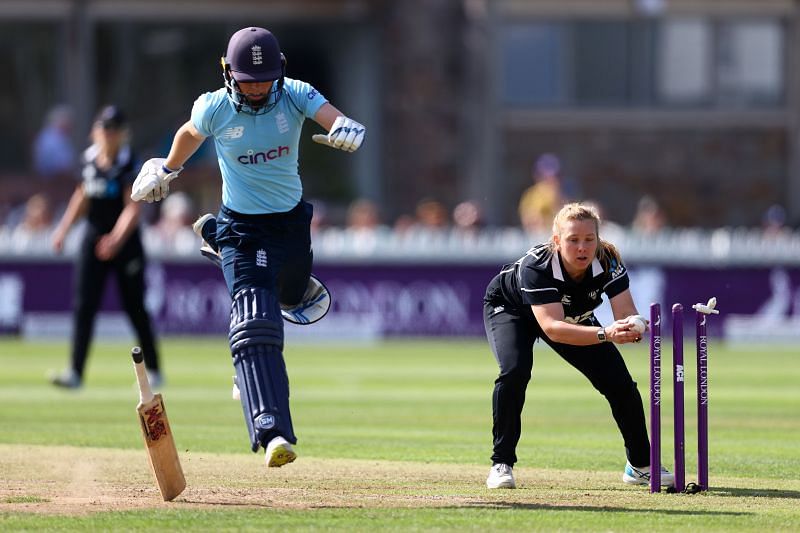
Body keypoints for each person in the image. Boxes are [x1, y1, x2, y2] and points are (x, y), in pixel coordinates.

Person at [130, 27, 365, 468]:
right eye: (247, 79)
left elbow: (332, 116)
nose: (256, 88)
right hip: (244, 225)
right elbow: (188, 133)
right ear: (228, 74)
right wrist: (167, 168)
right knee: (255, 320)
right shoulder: (215, 105)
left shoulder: (295, 94)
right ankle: (273, 432)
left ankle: (215, 241)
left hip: (290, 223)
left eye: (264, 78)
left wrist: (346, 129)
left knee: (293, 298)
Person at [482, 202, 674, 489]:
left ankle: (640, 465)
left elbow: (625, 312)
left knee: (620, 384)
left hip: (570, 316)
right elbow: (552, 328)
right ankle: (501, 463)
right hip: (512, 310)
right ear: (557, 240)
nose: (582, 248)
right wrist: (606, 333)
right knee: (515, 371)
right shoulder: (539, 266)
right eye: (573, 240)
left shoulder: (607, 259)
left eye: (589, 240)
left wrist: (633, 326)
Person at [50, 105, 162, 389]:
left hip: (125, 244)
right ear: (95, 132)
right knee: (84, 306)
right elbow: (82, 197)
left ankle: (155, 369)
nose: (108, 135)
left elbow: (133, 208)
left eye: (113, 130)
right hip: (92, 238)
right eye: (104, 129)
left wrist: (115, 239)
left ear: (123, 134)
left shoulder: (130, 163)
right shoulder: (88, 161)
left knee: (135, 307)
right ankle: (75, 372)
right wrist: (63, 229)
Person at [518, 153, 564, 234]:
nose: (551, 180)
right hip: (537, 238)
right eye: (545, 177)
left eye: (555, 176)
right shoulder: (530, 195)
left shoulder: (563, 194)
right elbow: (528, 221)